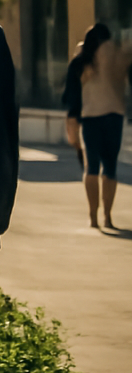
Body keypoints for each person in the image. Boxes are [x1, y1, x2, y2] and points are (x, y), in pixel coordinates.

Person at [77, 22, 132, 230]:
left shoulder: (82, 52)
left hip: (90, 114)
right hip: (114, 114)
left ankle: (93, 217)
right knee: (110, 167)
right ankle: (108, 217)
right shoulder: (119, 52)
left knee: (91, 166)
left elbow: (76, 82)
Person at [63, 38, 87, 169]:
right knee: (75, 138)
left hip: (79, 107)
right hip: (77, 107)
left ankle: (83, 156)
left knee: (76, 138)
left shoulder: (81, 65)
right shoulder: (75, 65)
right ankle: (82, 155)